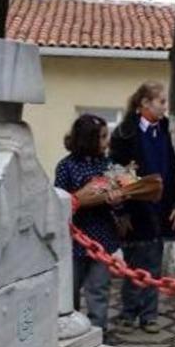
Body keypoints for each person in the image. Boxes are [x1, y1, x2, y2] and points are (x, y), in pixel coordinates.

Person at [109, 81, 175, 334]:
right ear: (144, 104)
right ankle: (129, 311)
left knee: (153, 264)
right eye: (161, 102)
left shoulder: (163, 128)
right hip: (134, 208)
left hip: (161, 207)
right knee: (133, 264)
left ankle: (149, 315)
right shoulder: (125, 133)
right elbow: (116, 174)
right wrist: (121, 212)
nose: (165, 107)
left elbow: (171, 167)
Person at [55, 114, 123, 334]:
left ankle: (99, 332)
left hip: (101, 238)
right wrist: (80, 199)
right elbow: (60, 203)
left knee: (98, 289)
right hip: (73, 240)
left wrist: (117, 202)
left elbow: (119, 203)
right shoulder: (66, 167)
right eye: (102, 137)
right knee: (69, 290)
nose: (106, 142)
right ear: (88, 139)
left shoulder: (109, 165)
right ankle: (69, 332)